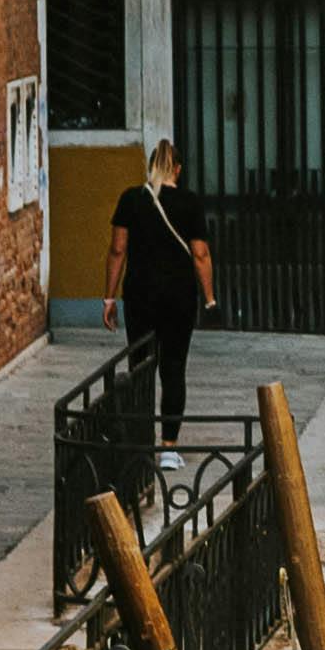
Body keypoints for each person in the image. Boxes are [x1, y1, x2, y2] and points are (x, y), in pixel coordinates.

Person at [103, 133, 218, 451]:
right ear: (177, 169)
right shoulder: (190, 202)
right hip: (179, 298)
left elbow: (117, 250)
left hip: (140, 295)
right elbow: (200, 254)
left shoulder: (130, 199)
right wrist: (209, 298)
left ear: (151, 166)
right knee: (173, 367)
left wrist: (109, 298)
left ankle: (141, 440)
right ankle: (169, 445)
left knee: (139, 366)